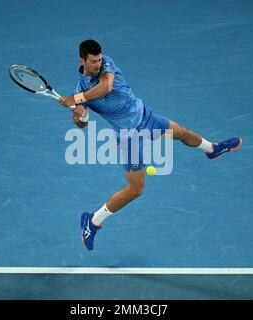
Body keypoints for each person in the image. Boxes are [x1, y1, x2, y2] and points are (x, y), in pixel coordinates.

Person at [59, 39, 242, 251]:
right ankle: (92, 222)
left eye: (99, 60)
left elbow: (106, 87)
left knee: (182, 132)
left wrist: (76, 98)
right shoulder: (80, 90)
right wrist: (80, 113)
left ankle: (212, 149)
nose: (98, 64)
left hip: (146, 117)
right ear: (82, 60)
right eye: (93, 62)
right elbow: (81, 123)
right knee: (136, 190)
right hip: (129, 137)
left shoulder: (103, 68)